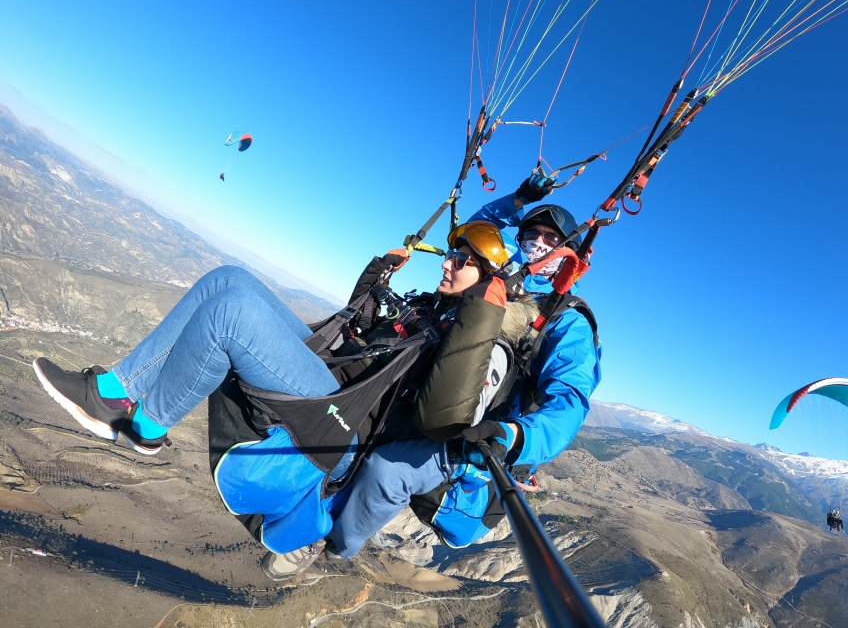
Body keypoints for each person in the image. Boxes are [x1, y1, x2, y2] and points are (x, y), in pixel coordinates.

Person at [32, 220, 513, 580]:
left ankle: (149, 426)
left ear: (491, 280)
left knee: (231, 315)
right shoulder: (434, 309)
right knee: (228, 280)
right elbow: (352, 333)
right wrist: (378, 274)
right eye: (453, 252)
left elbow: (440, 416)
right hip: (334, 384)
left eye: (464, 259)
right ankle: (115, 393)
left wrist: (484, 314)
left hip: (342, 431)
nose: (448, 261)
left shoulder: (479, 345)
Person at [326, 175, 601, 557]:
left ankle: (334, 546)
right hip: (432, 392)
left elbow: (569, 398)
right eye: (531, 235)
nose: (539, 244)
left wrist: (519, 438)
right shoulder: (501, 277)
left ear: (569, 254)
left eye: (551, 240)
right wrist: (518, 199)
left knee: (386, 471)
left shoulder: (565, 319)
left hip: (473, 435)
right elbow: (473, 232)